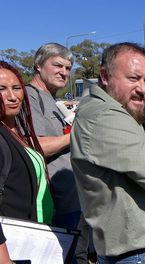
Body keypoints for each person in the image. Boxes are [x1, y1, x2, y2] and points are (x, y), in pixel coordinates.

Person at [71, 42, 145, 263]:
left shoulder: (115, 112)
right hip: (139, 254)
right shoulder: (105, 116)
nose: (143, 89)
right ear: (105, 75)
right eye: (133, 78)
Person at [26, 43, 88, 262]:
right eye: (58, 65)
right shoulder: (29, 96)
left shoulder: (51, 99)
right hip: (54, 206)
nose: (64, 72)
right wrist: (76, 136)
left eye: (68, 68)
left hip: (72, 201)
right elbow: (36, 146)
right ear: (38, 65)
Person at [0, 61, 50, 262]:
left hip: (33, 243)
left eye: (16, 88)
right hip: (10, 249)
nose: (12, 97)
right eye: (1, 89)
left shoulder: (15, 132)